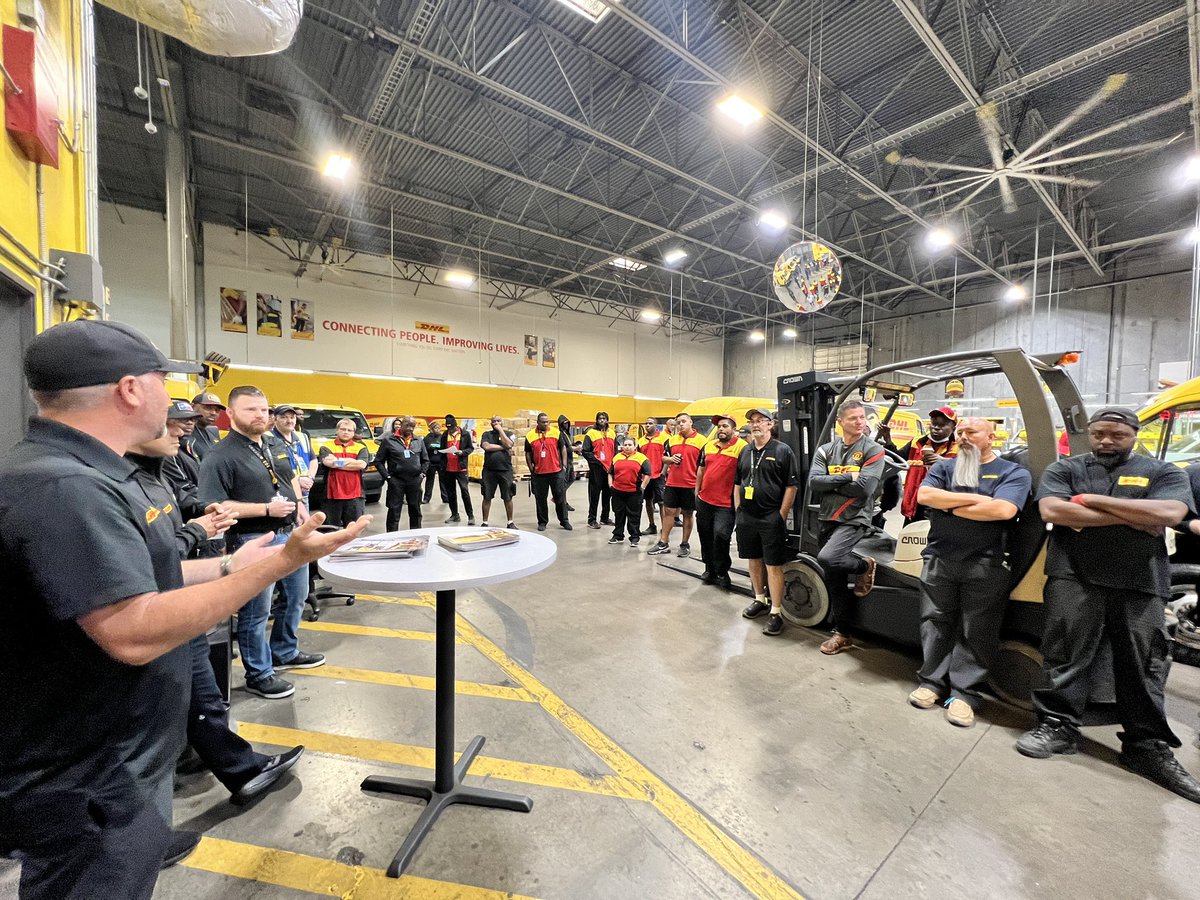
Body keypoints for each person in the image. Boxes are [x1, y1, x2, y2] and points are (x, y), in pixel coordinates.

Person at [0, 320, 366, 900]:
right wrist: (279, 563)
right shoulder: (67, 488)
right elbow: (133, 631)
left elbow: (141, 583)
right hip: (91, 777)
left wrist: (234, 563)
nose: (176, 403)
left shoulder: (90, 473)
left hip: (112, 765)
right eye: (163, 382)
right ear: (129, 389)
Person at [1015, 407, 1200, 803]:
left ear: (1134, 434)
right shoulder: (1065, 469)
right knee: (1064, 654)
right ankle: (1057, 726)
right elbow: (1053, 510)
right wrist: (1136, 517)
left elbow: (1169, 513)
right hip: (1073, 576)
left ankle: (1146, 748)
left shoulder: (1164, 472)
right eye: (1099, 433)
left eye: (1117, 434)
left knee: (1144, 663)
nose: (1106, 441)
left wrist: (1092, 502)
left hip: (1141, 581)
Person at [128, 407, 306, 808]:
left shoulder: (168, 464)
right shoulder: (102, 483)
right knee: (161, 710)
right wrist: (202, 534)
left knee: (203, 696)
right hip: (152, 611)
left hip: (177, 594)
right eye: (172, 420)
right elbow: (144, 560)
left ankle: (238, 769)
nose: (184, 427)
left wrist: (209, 535)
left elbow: (183, 515)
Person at [198, 386, 325, 699]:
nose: (261, 416)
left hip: (290, 534)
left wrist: (299, 505)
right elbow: (213, 507)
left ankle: (284, 650)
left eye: (264, 409)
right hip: (253, 538)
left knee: (297, 595)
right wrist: (265, 509)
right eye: (251, 410)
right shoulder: (220, 456)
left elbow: (290, 476)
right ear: (231, 414)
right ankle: (259, 674)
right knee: (257, 610)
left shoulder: (273, 444)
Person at [909, 418, 1031, 726]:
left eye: (971, 432)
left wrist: (948, 506)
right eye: (960, 432)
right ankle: (932, 683)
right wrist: (978, 500)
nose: (963, 437)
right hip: (939, 558)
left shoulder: (1012, 472)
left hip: (985, 563)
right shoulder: (945, 468)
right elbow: (925, 497)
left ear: (990, 437)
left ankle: (963, 695)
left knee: (976, 628)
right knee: (934, 621)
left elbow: (1004, 510)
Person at [809, 398, 887, 655]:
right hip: (827, 517)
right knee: (834, 577)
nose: (860, 422)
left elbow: (866, 488)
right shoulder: (826, 450)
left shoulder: (873, 450)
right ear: (840, 422)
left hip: (855, 518)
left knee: (828, 557)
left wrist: (831, 481)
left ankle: (864, 565)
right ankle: (842, 633)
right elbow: (814, 482)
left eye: (862, 417)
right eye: (853, 418)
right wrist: (848, 476)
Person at [737, 409, 800, 636]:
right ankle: (759, 599)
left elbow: (791, 486)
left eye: (760, 421)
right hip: (747, 517)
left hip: (770, 517)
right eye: (752, 422)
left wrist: (780, 515)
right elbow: (738, 482)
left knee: (773, 565)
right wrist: (738, 510)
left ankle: (776, 612)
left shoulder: (783, 451)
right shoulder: (745, 451)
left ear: (770, 424)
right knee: (753, 560)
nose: (755, 425)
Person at [695, 415, 748, 589]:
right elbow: (701, 469)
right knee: (705, 535)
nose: (721, 429)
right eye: (719, 426)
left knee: (721, 536)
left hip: (725, 504)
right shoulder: (709, 446)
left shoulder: (742, 448)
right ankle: (709, 569)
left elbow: (744, 476)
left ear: (734, 429)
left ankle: (722, 571)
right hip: (705, 500)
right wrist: (697, 492)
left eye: (725, 426)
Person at [884, 406, 958, 525]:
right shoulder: (917, 442)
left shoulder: (958, 448)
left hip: (940, 509)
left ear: (953, 427)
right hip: (914, 504)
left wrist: (944, 462)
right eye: (934, 423)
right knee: (909, 539)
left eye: (942, 425)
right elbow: (898, 459)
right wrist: (888, 440)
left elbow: (965, 474)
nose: (936, 428)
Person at [648, 413, 707, 558]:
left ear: (691, 422)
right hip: (672, 483)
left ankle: (684, 544)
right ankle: (663, 542)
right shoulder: (672, 440)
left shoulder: (702, 441)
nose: (681, 424)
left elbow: (704, 465)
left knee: (687, 514)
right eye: (678, 422)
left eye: (683, 421)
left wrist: (700, 487)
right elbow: (663, 457)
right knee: (669, 512)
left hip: (691, 484)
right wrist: (670, 459)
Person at [375, 416, 429, 531]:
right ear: (401, 425)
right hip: (396, 481)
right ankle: (392, 536)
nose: (410, 428)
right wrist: (388, 477)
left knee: (415, 510)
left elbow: (426, 460)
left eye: (412, 427)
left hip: (415, 480)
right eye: (407, 425)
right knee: (394, 511)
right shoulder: (389, 440)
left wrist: (422, 475)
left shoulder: (418, 441)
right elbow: (378, 461)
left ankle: (416, 535)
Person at [317, 418, 371, 528]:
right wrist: (351, 462)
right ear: (337, 430)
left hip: (355, 497)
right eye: (343, 429)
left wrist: (337, 461)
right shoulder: (326, 446)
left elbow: (361, 465)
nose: (346, 432)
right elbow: (328, 463)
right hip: (331, 496)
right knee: (330, 531)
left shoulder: (361, 447)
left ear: (353, 433)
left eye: (349, 430)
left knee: (353, 530)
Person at [526, 412, 571, 531]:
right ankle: (542, 522)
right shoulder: (530, 435)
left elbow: (563, 448)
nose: (546, 424)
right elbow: (528, 453)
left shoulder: (556, 432)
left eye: (547, 422)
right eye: (543, 422)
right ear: (538, 422)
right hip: (539, 474)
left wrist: (564, 466)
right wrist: (531, 469)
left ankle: (564, 521)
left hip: (556, 471)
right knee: (540, 499)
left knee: (560, 497)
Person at [608, 436, 651, 546]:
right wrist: (610, 485)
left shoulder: (641, 458)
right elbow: (610, 472)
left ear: (635, 446)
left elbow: (648, 474)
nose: (627, 447)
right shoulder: (617, 457)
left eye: (630, 445)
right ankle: (618, 536)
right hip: (617, 491)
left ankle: (634, 537)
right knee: (619, 514)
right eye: (625, 445)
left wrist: (642, 487)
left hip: (634, 492)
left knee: (634, 516)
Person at [272, 405, 317, 503]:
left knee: (305, 518)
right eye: (284, 417)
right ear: (275, 420)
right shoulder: (268, 439)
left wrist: (310, 478)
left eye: (292, 417)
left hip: (303, 493)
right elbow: (271, 468)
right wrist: (297, 481)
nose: (289, 421)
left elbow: (313, 460)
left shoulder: (303, 437)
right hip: (282, 496)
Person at [480, 415, 517, 528]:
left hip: (505, 470)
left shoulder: (509, 434)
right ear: (490, 423)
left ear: (502, 422)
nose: (496, 423)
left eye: (498, 421)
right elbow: (487, 447)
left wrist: (500, 430)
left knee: (508, 497)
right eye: (494, 421)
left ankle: (510, 522)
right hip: (489, 471)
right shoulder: (486, 434)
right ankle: (485, 522)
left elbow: (510, 444)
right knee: (487, 496)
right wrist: (504, 447)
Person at [581, 412, 615, 529]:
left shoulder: (612, 433)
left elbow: (615, 450)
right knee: (594, 494)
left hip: (609, 468)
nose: (602, 420)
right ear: (596, 420)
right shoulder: (590, 433)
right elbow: (585, 451)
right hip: (597, 468)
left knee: (608, 494)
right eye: (600, 418)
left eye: (604, 418)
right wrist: (596, 462)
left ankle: (604, 518)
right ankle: (592, 519)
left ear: (607, 420)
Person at [441, 414, 475, 525]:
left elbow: (470, 448)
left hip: (461, 469)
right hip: (448, 469)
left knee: (464, 491)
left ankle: (470, 516)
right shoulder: (445, 435)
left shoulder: (465, 434)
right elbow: (442, 449)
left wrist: (462, 452)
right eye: (448, 428)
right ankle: (454, 515)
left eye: (452, 428)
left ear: (456, 426)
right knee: (451, 493)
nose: (450, 430)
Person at [639, 417, 670, 536]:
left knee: (662, 502)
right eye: (646, 423)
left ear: (656, 425)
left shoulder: (664, 439)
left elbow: (667, 456)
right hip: (646, 476)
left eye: (650, 423)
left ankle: (664, 528)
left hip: (658, 475)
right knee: (648, 501)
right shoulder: (641, 441)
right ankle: (652, 526)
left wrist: (663, 472)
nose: (647, 425)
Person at [186, 390, 224, 460]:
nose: (213, 413)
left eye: (217, 410)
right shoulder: (184, 433)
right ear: (192, 406)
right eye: (208, 408)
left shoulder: (213, 432)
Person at [423, 420, 448, 504]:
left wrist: (436, 447)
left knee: (443, 480)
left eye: (438, 428)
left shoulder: (442, 437)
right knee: (429, 480)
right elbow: (426, 448)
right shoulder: (427, 438)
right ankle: (426, 498)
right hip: (431, 462)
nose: (437, 430)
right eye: (435, 428)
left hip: (440, 462)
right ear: (431, 429)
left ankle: (445, 497)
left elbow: (444, 447)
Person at [557, 414, 577, 511]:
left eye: (567, 423)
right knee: (564, 482)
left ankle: (560, 497)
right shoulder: (560, 434)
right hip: (564, 461)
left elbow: (569, 445)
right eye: (564, 423)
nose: (566, 425)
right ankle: (563, 501)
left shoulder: (567, 434)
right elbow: (565, 448)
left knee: (571, 478)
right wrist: (575, 448)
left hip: (570, 460)